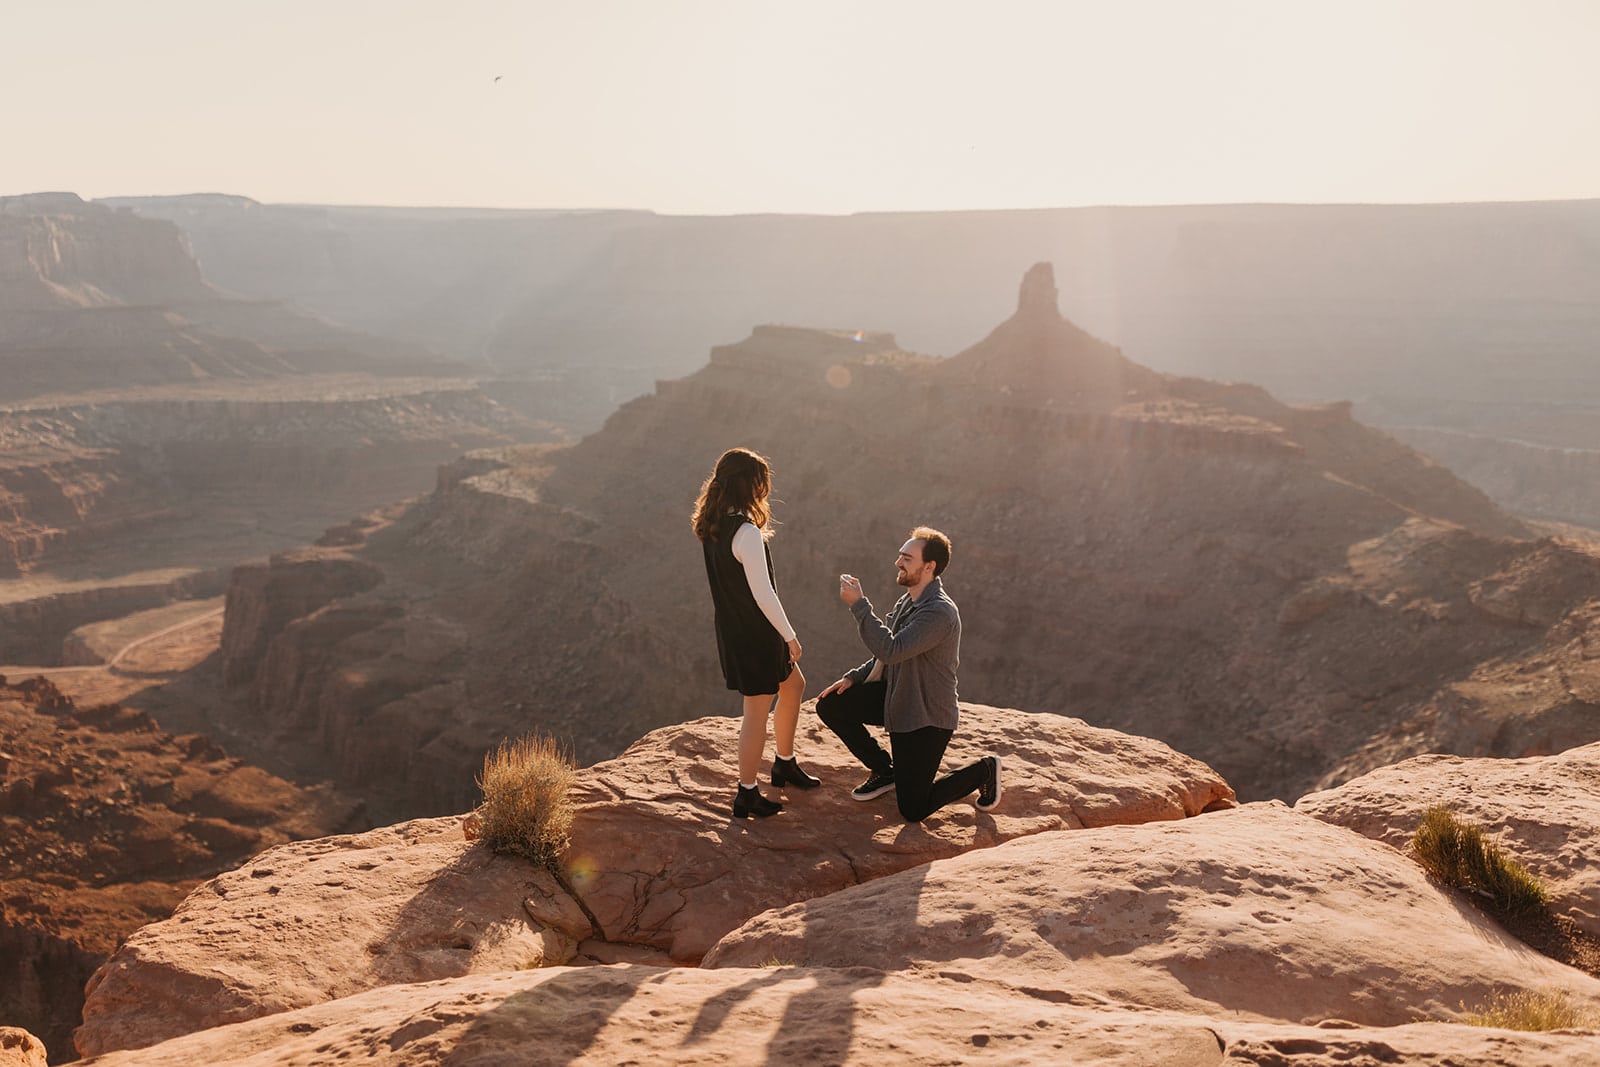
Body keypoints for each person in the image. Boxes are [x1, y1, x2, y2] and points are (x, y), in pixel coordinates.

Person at [817, 527, 1001, 822]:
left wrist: (859, 605)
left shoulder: (939, 612)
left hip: (925, 717)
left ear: (929, 567)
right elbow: (891, 657)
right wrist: (856, 677)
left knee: (913, 809)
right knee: (831, 704)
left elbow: (891, 649)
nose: (897, 562)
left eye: (906, 558)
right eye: (900, 555)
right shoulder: (909, 601)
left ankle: (983, 769)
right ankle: (884, 769)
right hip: (899, 697)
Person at [692, 447, 819, 818]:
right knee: (755, 712)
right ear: (749, 485)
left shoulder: (713, 526)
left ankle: (784, 763)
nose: (766, 488)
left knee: (794, 686)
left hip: (735, 631)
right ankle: (746, 793)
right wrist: (790, 636)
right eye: (762, 481)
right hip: (756, 636)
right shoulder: (746, 533)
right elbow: (764, 595)